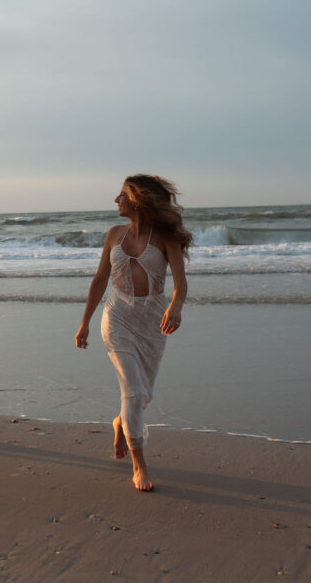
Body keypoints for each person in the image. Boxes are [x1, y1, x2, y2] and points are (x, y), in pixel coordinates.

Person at [75, 174, 191, 492]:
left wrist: (176, 306)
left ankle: (120, 422)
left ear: (137, 199)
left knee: (144, 395)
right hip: (117, 317)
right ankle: (139, 466)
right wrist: (85, 321)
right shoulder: (114, 234)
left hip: (153, 320)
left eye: (121, 195)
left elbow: (180, 283)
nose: (116, 200)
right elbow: (100, 279)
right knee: (134, 393)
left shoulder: (166, 238)